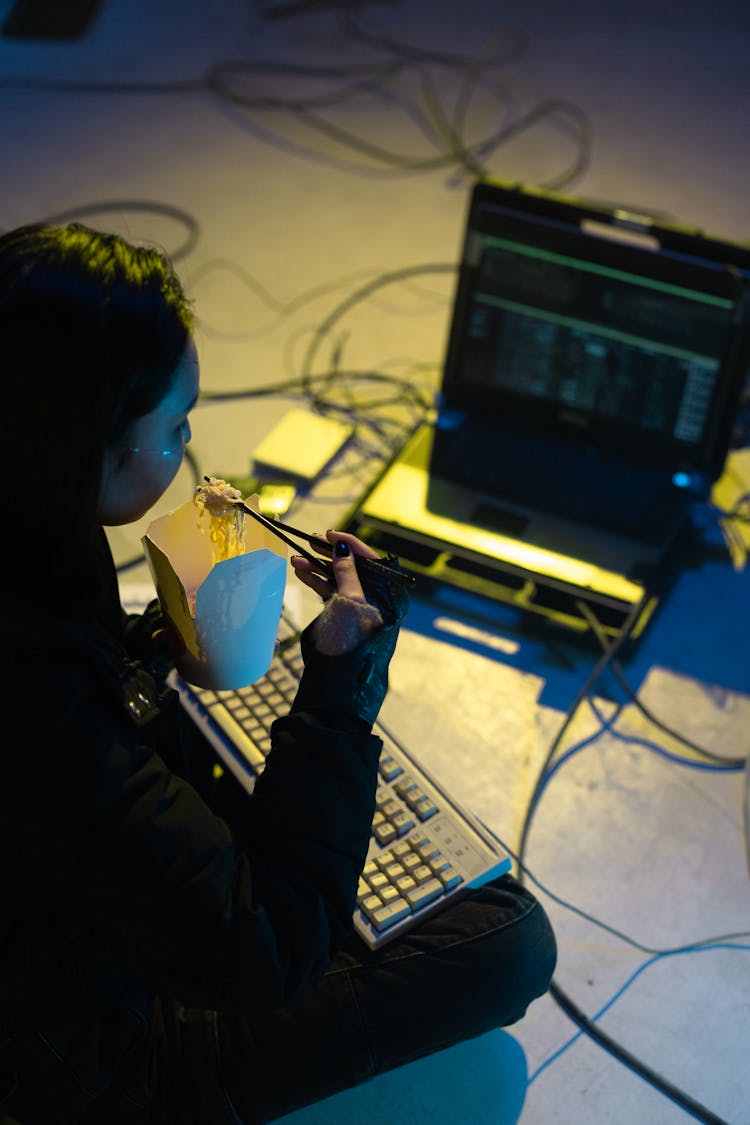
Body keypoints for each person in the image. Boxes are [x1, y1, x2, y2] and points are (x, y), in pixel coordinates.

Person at [0, 222, 556, 1125]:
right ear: (88, 447)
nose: (191, 448)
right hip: (89, 1063)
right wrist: (337, 688)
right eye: (176, 426)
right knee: (508, 939)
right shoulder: (40, 704)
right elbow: (277, 947)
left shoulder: (32, 522)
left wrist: (151, 646)